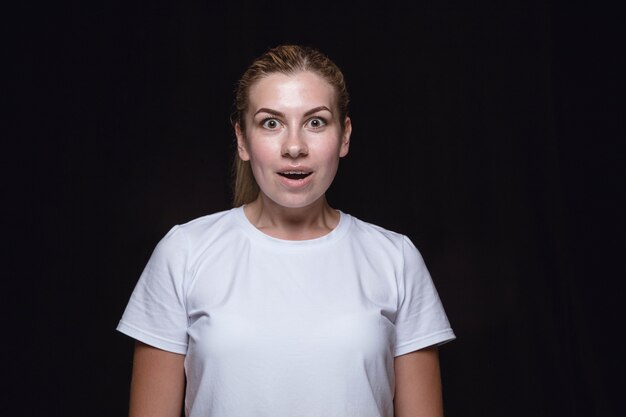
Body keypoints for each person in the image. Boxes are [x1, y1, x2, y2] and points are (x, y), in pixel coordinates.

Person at [117, 44, 455, 417]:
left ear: (344, 137)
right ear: (242, 140)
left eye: (315, 122)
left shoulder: (396, 258)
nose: (294, 147)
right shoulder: (183, 252)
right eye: (271, 123)